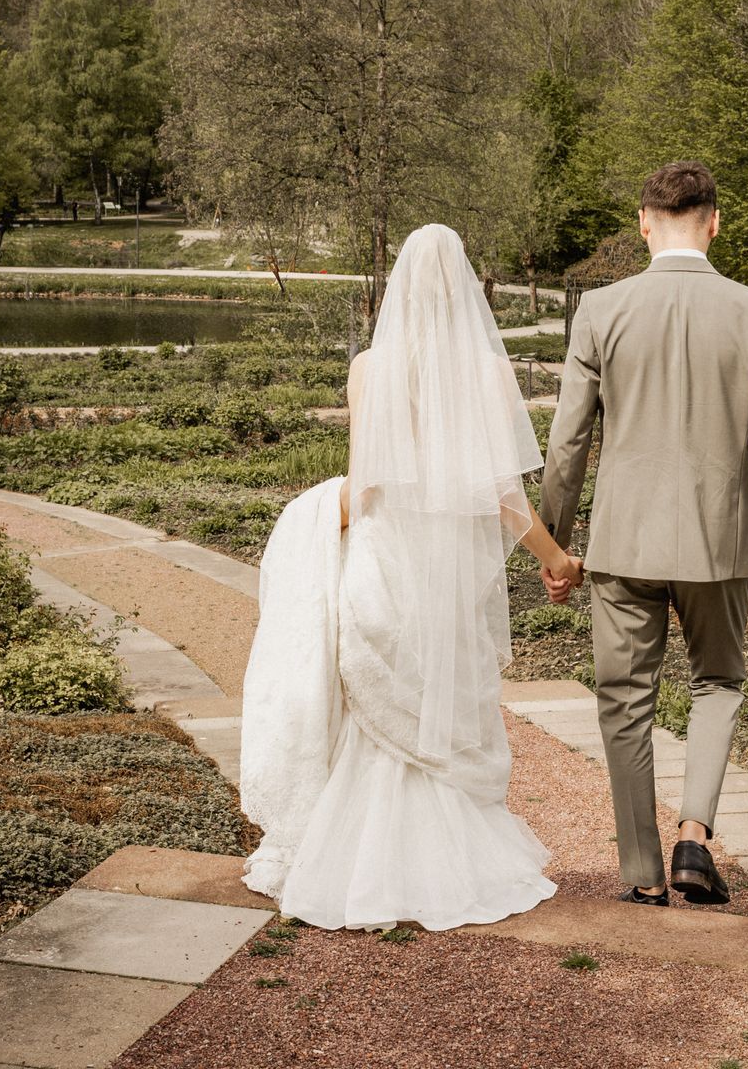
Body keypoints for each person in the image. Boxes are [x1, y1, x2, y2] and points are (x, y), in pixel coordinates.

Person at [237, 224, 577, 930]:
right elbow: (505, 499)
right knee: (437, 722)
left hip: (380, 572)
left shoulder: (371, 369)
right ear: (463, 289)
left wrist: (305, 519)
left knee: (374, 729)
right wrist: (556, 559)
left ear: (399, 289)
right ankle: (447, 867)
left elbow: (363, 490)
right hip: (441, 587)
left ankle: (351, 866)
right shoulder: (486, 373)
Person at [538, 161, 748, 907]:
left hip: (622, 544)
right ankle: (694, 839)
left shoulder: (599, 311)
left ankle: (640, 871)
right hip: (718, 543)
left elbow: (569, 440)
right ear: (715, 222)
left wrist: (554, 543)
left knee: (624, 699)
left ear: (643, 223)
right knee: (719, 683)